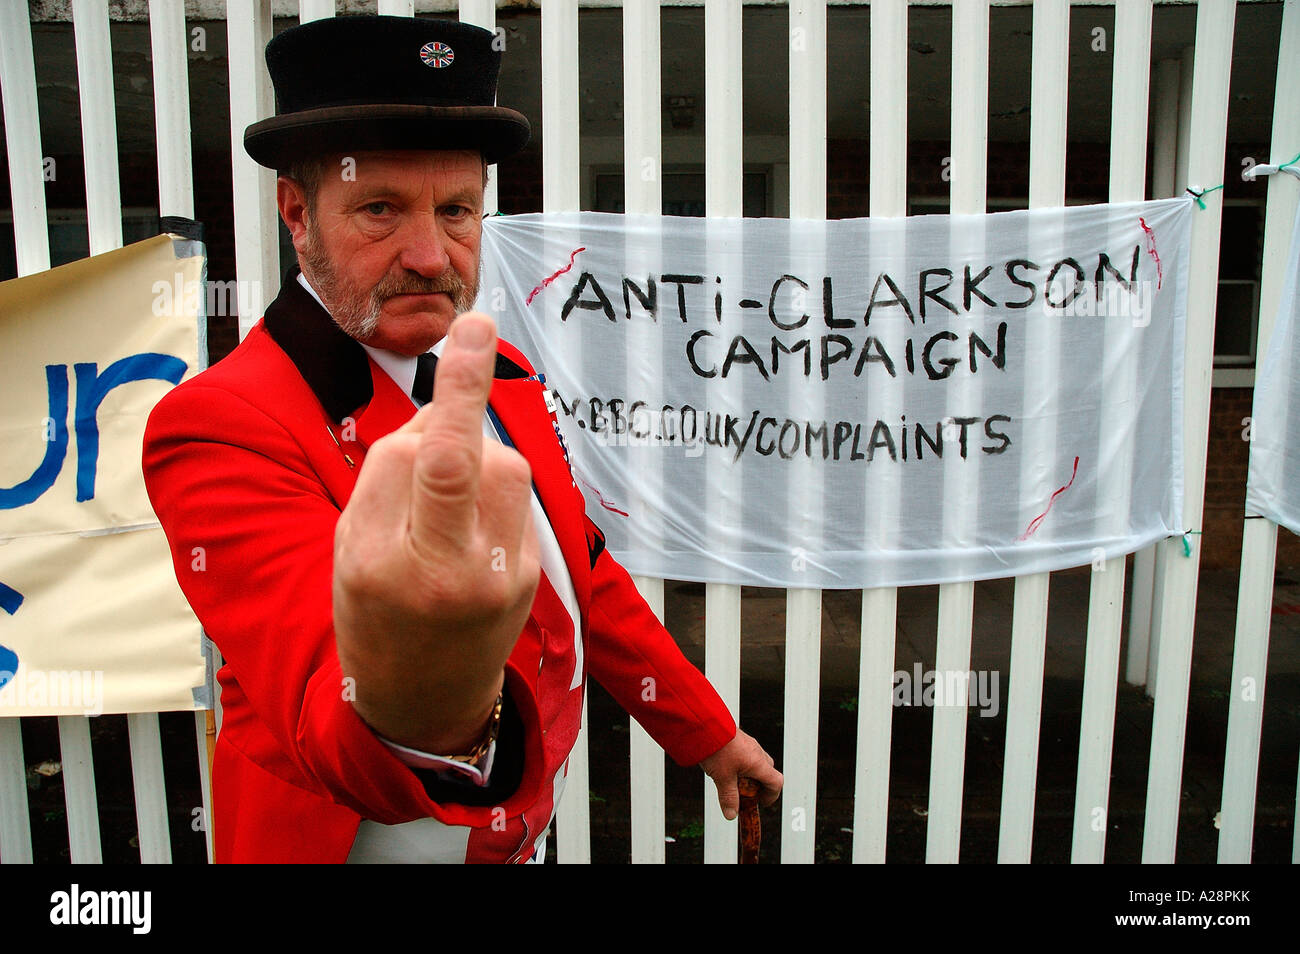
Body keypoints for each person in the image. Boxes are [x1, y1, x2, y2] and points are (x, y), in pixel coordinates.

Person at [143, 14, 781, 863]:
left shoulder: (501, 372)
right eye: (380, 210)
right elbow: (323, 709)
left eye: (456, 211)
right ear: (296, 213)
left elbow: (578, 573)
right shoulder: (222, 424)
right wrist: (424, 692)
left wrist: (703, 732)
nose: (429, 254)